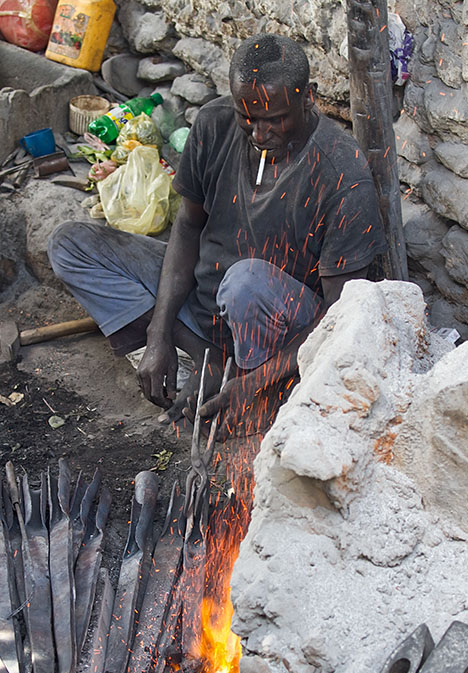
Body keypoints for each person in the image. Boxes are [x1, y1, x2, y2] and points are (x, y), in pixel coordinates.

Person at [49, 34, 386, 438]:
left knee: (245, 282)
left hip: (279, 328)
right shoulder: (214, 123)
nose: (260, 134)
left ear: (308, 97)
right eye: (248, 118)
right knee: (70, 244)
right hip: (206, 303)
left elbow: (338, 317)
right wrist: (159, 334)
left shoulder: (342, 175)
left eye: (275, 119)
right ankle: (205, 356)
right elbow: (188, 227)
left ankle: (259, 391)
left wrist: (248, 386)